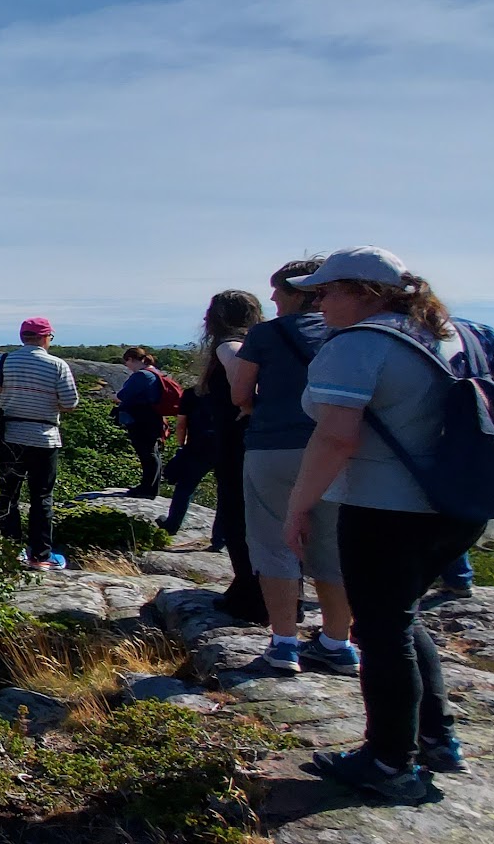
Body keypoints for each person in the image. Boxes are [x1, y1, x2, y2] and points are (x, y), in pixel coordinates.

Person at [285, 246, 494, 801]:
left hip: (386, 508)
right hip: (461, 505)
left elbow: (336, 438)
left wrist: (299, 506)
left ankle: (389, 762)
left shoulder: (356, 345)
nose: (318, 303)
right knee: (398, 617)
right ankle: (436, 740)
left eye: (326, 291)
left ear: (365, 293)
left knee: (380, 630)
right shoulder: (462, 333)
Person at [233, 258, 357, 676]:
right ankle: (338, 643)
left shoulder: (265, 334)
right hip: (336, 450)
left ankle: (284, 643)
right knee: (333, 546)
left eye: (278, 290)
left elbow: (239, 394)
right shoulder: (348, 334)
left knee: (272, 542)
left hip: (272, 447)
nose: (272, 297)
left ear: (299, 292)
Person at [0, 317, 79, 570]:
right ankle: (41, 556)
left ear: (22, 337)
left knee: (8, 495)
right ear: (45, 338)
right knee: (42, 497)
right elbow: (70, 403)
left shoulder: (3, 361)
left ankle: (11, 550)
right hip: (45, 437)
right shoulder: (57, 365)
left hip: (10, 437)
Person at [194, 289, 267, 622]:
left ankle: (249, 594)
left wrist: (246, 404)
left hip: (237, 441)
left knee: (237, 516)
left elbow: (243, 383)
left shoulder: (230, 345)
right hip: (258, 440)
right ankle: (276, 593)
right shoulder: (262, 344)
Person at [157, 379, 217, 533]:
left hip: (198, 446)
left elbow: (181, 424)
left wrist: (182, 445)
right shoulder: (236, 392)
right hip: (229, 447)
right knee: (227, 491)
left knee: (185, 487)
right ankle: (221, 537)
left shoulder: (193, 393)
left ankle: (172, 524)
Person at [114, 347, 167, 499]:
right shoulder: (154, 372)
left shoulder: (141, 375)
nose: (127, 366)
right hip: (153, 418)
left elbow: (122, 395)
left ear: (131, 359)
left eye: (127, 362)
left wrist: (114, 397)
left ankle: (146, 488)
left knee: (147, 453)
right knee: (152, 453)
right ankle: (152, 487)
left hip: (141, 419)